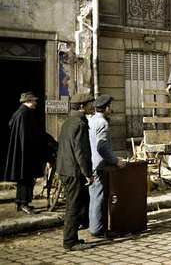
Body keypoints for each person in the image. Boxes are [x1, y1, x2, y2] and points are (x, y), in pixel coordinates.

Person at [56, 93, 94, 251]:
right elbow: (81, 152)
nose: (91, 106)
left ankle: (78, 230)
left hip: (65, 169)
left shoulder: (68, 122)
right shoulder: (80, 124)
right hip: (74, 171)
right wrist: (88, 174)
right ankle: (70, 241)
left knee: (79, 202)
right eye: (89, 104)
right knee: (74, 205)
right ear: (81, 107)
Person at [88, 94, 126, 238]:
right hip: (99, 165)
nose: (112, 109)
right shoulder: (102, 123)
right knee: (99, 197)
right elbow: (102, 147)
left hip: (91, 164)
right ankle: (98, 229)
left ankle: (94, 225)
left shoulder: (91, 120)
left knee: (93, 196)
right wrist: (116, 161)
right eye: (111, 106)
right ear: (107, 107)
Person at [4, 92, 46, 215]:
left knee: (23, 178)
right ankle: (24, 203)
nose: (36, 103)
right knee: (26, 178)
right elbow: (25, 136)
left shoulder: (20, 113)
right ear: (27, 101)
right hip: (26, 152)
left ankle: (19, 202)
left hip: (23, 151)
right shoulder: (25, 114)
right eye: (34, 101)